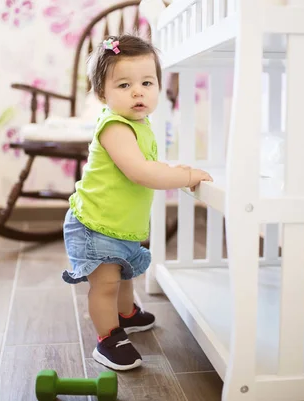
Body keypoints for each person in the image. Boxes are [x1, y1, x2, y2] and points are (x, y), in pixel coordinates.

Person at [61, 34, 213, 371]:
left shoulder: (140, 124)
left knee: (124, 273)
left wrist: (174, 170)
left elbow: (149, 166)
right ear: (102, 94)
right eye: (124, 85)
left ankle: (126, 314)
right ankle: (107, 338)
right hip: (94, 224)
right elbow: (140, 171)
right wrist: (184, 176)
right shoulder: (115, 127)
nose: (138, 91)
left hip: (119, 225)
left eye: (147, 82)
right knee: (106, 284)